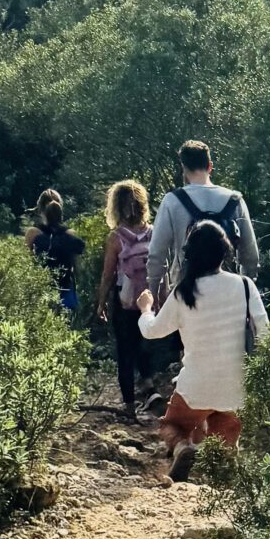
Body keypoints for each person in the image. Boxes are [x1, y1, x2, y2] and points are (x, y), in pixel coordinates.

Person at [135, 218, 269, 480]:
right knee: (225, 437)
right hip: (236, 385)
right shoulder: (244, 286)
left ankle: (183, 447)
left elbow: (152, 331)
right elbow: (265, 334)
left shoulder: (183, 291)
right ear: (224, 252)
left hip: (195, 386)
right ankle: (225, 472)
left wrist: (145, 309)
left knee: (171, 426)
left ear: (190, 254)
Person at [144, 140, 259, 300]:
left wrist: (154, 291)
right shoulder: (234, 200)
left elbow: (157, 253)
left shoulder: (172, 201)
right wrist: (248, 286)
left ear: (183, 168)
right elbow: (250, 253)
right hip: (227, 291)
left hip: (185, 290)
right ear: (210, 166)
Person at [96, 179, 153, 417]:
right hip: (150, 301)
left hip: (125, 301)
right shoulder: (154, 232)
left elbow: (108, 274)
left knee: (125, 352)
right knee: (145, 346)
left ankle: (129, 406)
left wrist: (101, 302)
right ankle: (151, 390)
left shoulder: (116, 238)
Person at [25, 189, 85, 315]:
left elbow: (27, 263)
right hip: (66, 288)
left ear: (39, 209)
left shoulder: (33, 233)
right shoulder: (70, 234)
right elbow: (76, 266)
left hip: (41, 290)